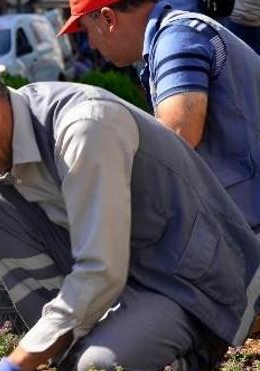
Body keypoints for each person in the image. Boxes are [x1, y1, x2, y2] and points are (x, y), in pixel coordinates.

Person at [0, 58, 260, 371]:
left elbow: (100, 270)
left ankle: (198, 351)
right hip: (120, 281)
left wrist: (16, 363)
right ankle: (73, 356)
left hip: (184, 281)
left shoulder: (84, 127)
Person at [57, 0, 260, 236]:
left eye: (86, 30)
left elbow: (178, 136)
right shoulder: (173, 36)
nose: (90, 44)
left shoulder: (175, 39)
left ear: (108, 19)